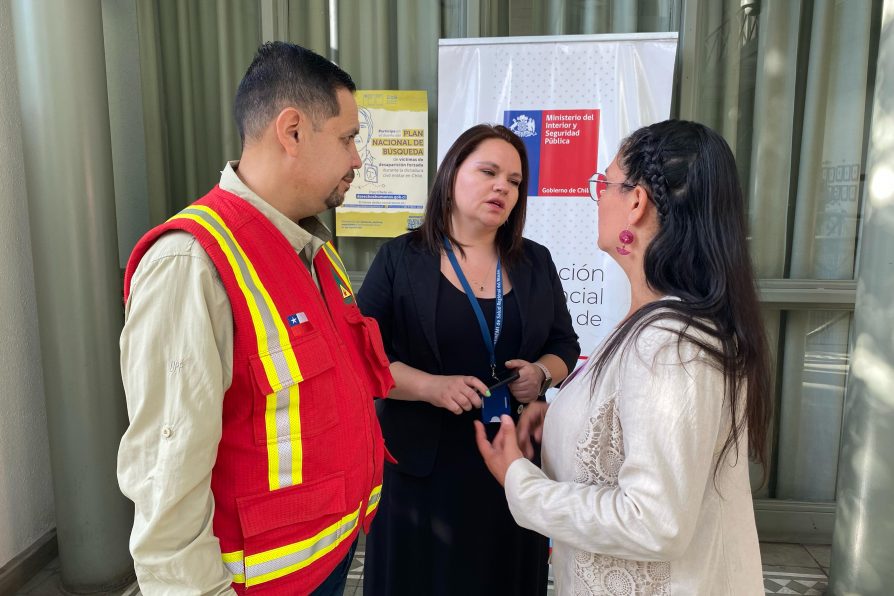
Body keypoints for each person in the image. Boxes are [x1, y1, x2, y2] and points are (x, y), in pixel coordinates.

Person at [117, 42, 394, 595]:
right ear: (291, 131)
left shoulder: (312, 249)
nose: (357, 159)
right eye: (347, 138)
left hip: (326, 560)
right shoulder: (191, 263)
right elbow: (165, 481)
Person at [476, 120, 771, 595]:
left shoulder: (672, 346)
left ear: (636, 202)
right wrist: (558, 422)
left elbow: (655, 520)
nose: (600, 197)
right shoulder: (657, 322)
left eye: (604, 183)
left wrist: (519, 480)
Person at [357, 124, 580, 596]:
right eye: (489, 171)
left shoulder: (536, 261)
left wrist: (541, 373)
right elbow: (361, 355)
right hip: (421, 468)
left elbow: (564, 345)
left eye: (515, 181)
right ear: (452, 175)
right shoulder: (400, 258)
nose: (503, 187)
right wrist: (429, 387)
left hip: (510, 465)